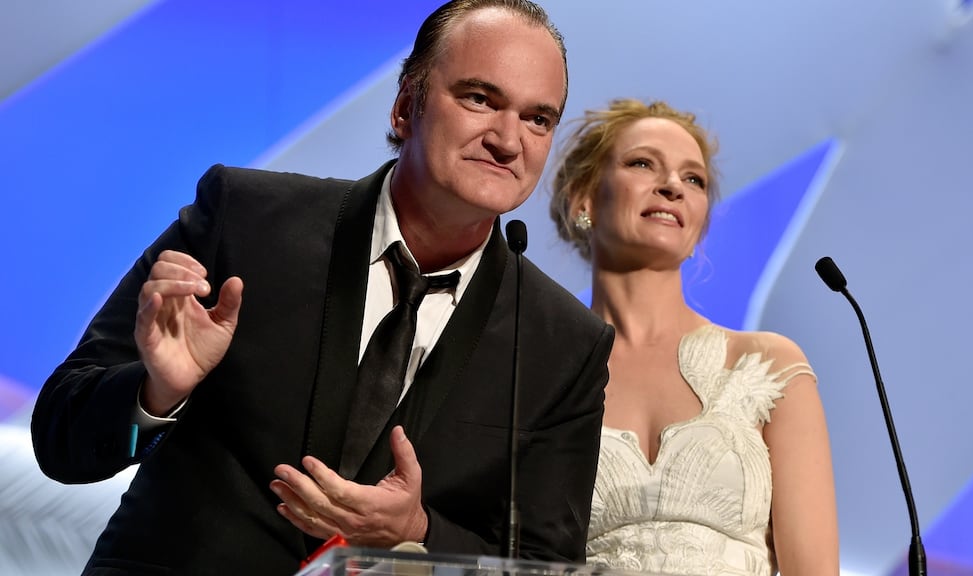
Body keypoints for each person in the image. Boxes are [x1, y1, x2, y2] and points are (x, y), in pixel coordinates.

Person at [31, 1, 615, 574]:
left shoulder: (564, 343)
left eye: (538, 118)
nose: (509, 141)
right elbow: (61, 440)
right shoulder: (245, 218)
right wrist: (157, 393)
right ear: (406, 106)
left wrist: (419, 533)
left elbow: (545, 563)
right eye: (480, 99)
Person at [549, 99, 839, 575]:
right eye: (643, 163)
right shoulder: (538, 377)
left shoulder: (766, 366)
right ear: (584, 199)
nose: (671, 187)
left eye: (693, 179)